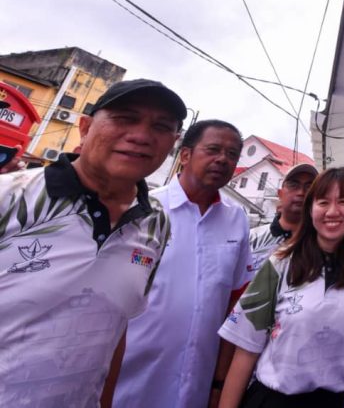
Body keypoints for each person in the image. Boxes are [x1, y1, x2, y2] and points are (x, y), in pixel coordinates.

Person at [0, 79, 186, 407]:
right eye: (125, 118)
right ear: (85, 128)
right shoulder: (11, 197)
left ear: (172, 143)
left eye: (161, 127)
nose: (142, 136)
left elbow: (114, 328)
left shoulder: (156, 223)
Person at [114, 120, 252, 408]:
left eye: (232, 155)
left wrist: (218, 384)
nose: (222, 160)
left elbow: (233, 303)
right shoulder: (143, 210)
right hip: (129, 382)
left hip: (197, 386)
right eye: (213, 149)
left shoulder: (236, 219)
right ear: (185, 155)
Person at [218, 168, 344, 408]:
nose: (332, 211)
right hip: (274, 400)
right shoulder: (280, 264)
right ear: (311, 208)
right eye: (323, 201)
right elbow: (246, 349)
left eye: (343, 201)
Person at [249, 163, 318, 271]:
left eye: (309, 187)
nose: (301, 192)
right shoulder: (251, 238)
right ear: (280, 194)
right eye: (293, 185)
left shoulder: (322, 244)